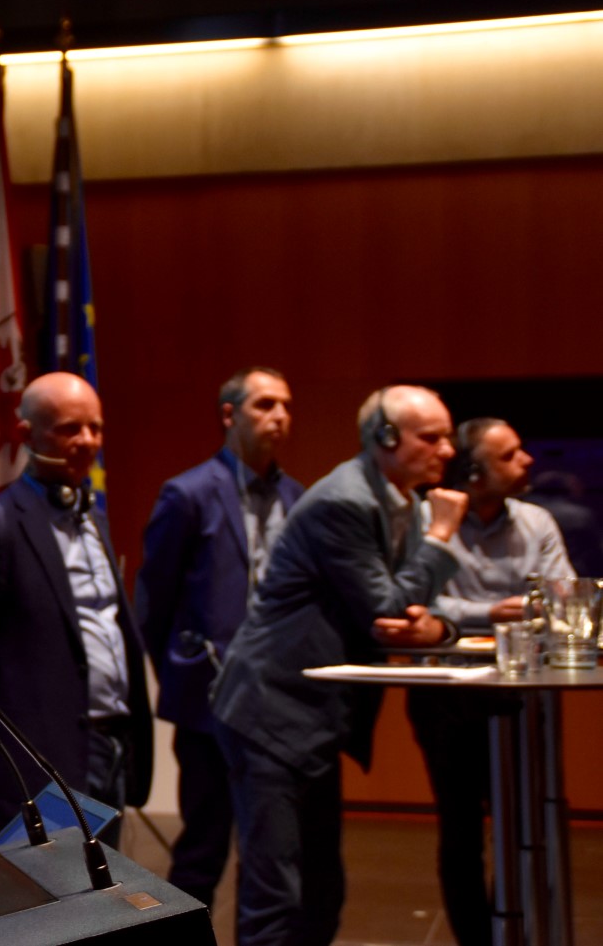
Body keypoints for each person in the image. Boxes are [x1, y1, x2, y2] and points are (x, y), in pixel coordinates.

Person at [211, 385, 469, 946]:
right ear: (385, 437)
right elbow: (386, 607)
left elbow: (415, 606)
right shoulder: (345, 501)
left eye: (448, 437)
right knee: (277, 896)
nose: (448, 450)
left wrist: (439, 628)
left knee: (321, 893)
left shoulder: (401, 501)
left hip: (313, 715)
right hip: (271, 709)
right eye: (432, 437)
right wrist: (442, 536)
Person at [0, 372, 152, 845]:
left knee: (104, 888)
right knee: (43, 892)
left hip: (111, 750)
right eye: (70, 429)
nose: (87, 441)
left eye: (95, 428)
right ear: (26, 435)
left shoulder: (93, 518)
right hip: (37, 766)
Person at [136, 367, 303, 909]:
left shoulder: (297, 497)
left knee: (273, 847)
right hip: (209, 696)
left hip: (278, 701)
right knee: (203, 845)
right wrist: (181, 668)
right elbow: (154, 601)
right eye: (265, 404)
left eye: (286, 405)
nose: (280, 416)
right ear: (229, 414)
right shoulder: (188, 493)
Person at [407, 418, 574, 946]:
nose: (527, 460)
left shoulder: (537, 521)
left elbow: (562, 598)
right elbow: (413, 600)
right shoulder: (424, 519)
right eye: (510, 455)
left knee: (524, 825)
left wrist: (463, 614)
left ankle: (515, 931)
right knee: (459, 830)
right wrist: (488, 612)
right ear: (473, 472)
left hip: (522, 691)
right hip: (446, 694)